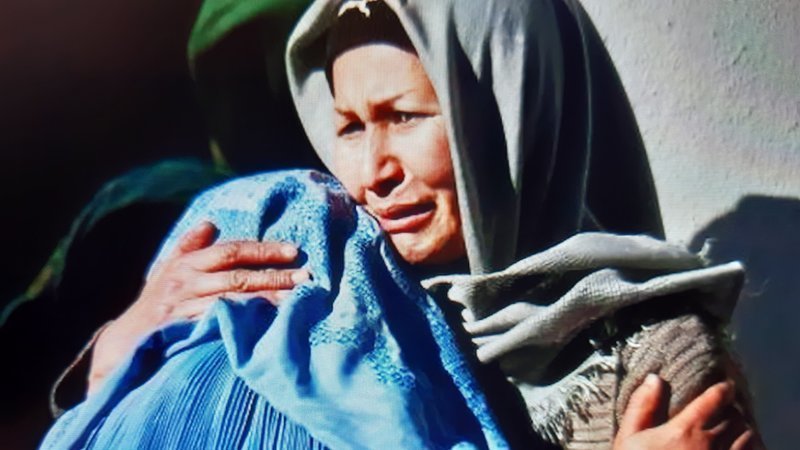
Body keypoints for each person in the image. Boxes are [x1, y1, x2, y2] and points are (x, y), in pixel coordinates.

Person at [45, 0, 760, 449]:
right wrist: (120, 355)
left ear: (510, 113)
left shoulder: (651, 354)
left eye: (405, 116)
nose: (373, 171)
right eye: (351, 127)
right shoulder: (328, 290)